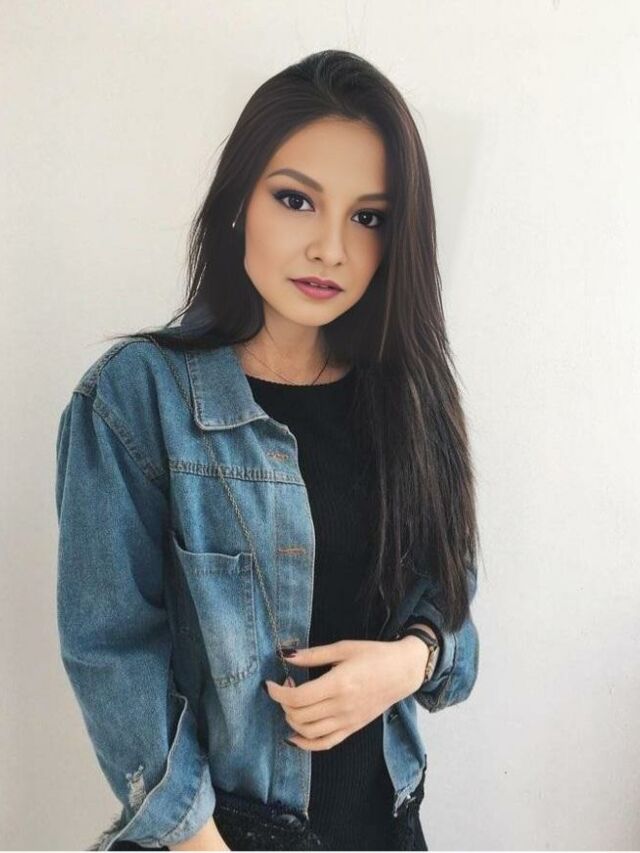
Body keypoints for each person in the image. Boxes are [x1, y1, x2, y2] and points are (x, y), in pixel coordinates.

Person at [55, 49, 480, 851]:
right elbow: (111, 651)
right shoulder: (137, 398)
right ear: (238, 201)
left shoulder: (405, 395)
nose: (330, 248)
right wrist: (199, 842)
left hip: (387, 827)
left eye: (368, 217)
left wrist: (408, 662)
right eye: (296, 200)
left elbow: (453, 596)